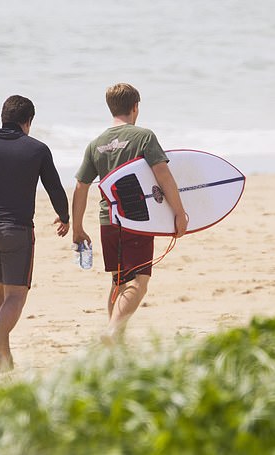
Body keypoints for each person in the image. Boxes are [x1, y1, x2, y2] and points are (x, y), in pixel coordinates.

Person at [0, 95, 70, 371]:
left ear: (3, 118)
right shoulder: (37, 149)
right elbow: (55, 188)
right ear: (28, 122)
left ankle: (3, 355)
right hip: (17, 232)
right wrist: (64, 217)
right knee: (16, 295)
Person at [72, 83, 188, 343]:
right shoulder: (143, 137)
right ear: (135, 107)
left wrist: (78, 228)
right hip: (137, 218)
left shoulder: (96, 144)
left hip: (108, 220)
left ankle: (116, 343)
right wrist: (179, 212)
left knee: (119, 281)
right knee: (139, 281)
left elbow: (81, 186)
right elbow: (163, 175)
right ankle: (113, 332)